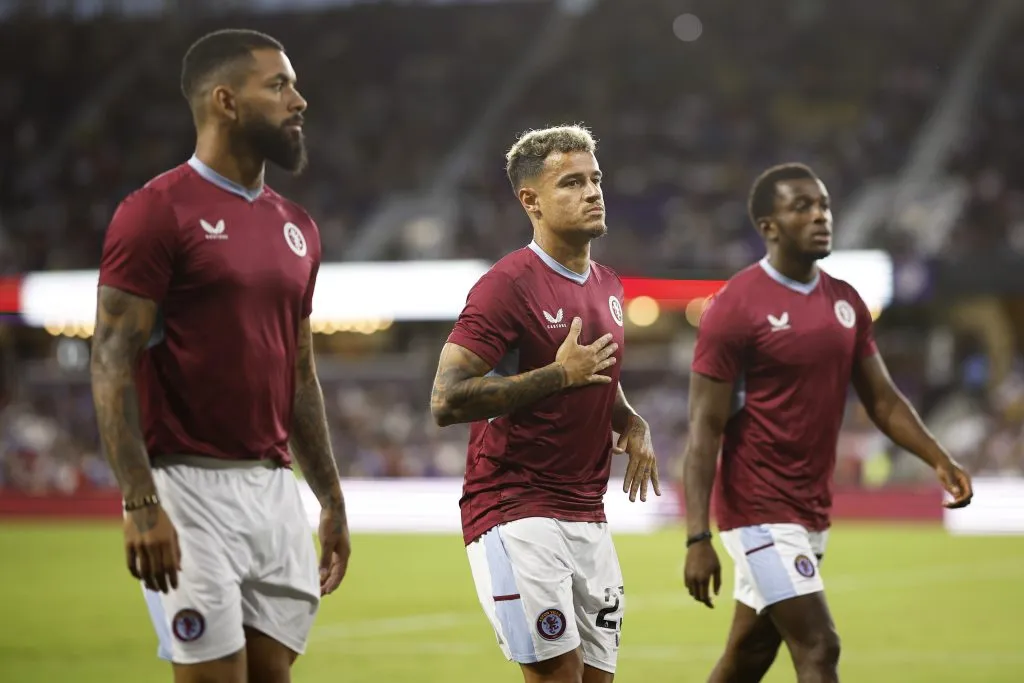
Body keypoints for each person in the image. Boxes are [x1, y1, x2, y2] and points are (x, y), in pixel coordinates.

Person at [90, 29, 350, 683]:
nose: (301, 100)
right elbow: (111, 361)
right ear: (226, 101)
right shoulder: (155, 212)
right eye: (279, 85)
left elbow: (297, 371)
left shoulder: (298, 227)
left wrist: (330, 496)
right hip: (186, 488)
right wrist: (140, 502)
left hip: (272, 489)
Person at [681, 162, 974, 683]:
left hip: (810, 509)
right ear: (769, 226)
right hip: (757, 510)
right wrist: (697, 537)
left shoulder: (846, 302)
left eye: (824, 205)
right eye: (802, 207)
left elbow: (882, 399)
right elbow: (704, 427)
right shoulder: (735, 306)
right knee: (819, 646)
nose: (821, 216)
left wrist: (939, 458)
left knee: (746, 659)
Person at [430, 124, 661, 683]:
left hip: (587, 511)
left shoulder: (608, 283)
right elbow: (446, 399)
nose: (593, 192)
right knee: (557, 677)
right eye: (572, 183)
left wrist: (628, 418)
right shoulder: (506, 284)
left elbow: (597, 374)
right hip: (515, 506)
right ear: (530, 200)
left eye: (596, 179)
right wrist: (559, 374)